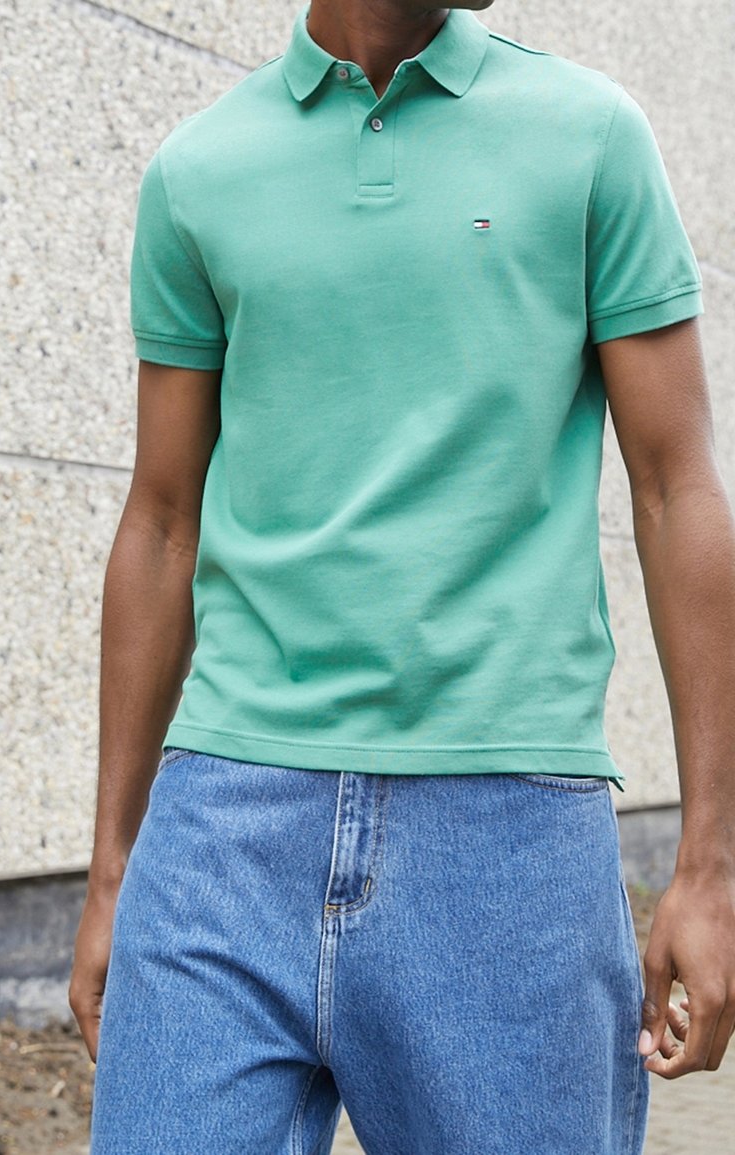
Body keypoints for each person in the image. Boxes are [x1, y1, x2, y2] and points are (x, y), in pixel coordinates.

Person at [69, 2, 735, 1151]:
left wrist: (710, 864)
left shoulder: (587, 137)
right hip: (221, 830)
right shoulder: (200, 172)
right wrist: (113, 867)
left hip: (506, 840)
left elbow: (678, 493)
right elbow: (163, 520)